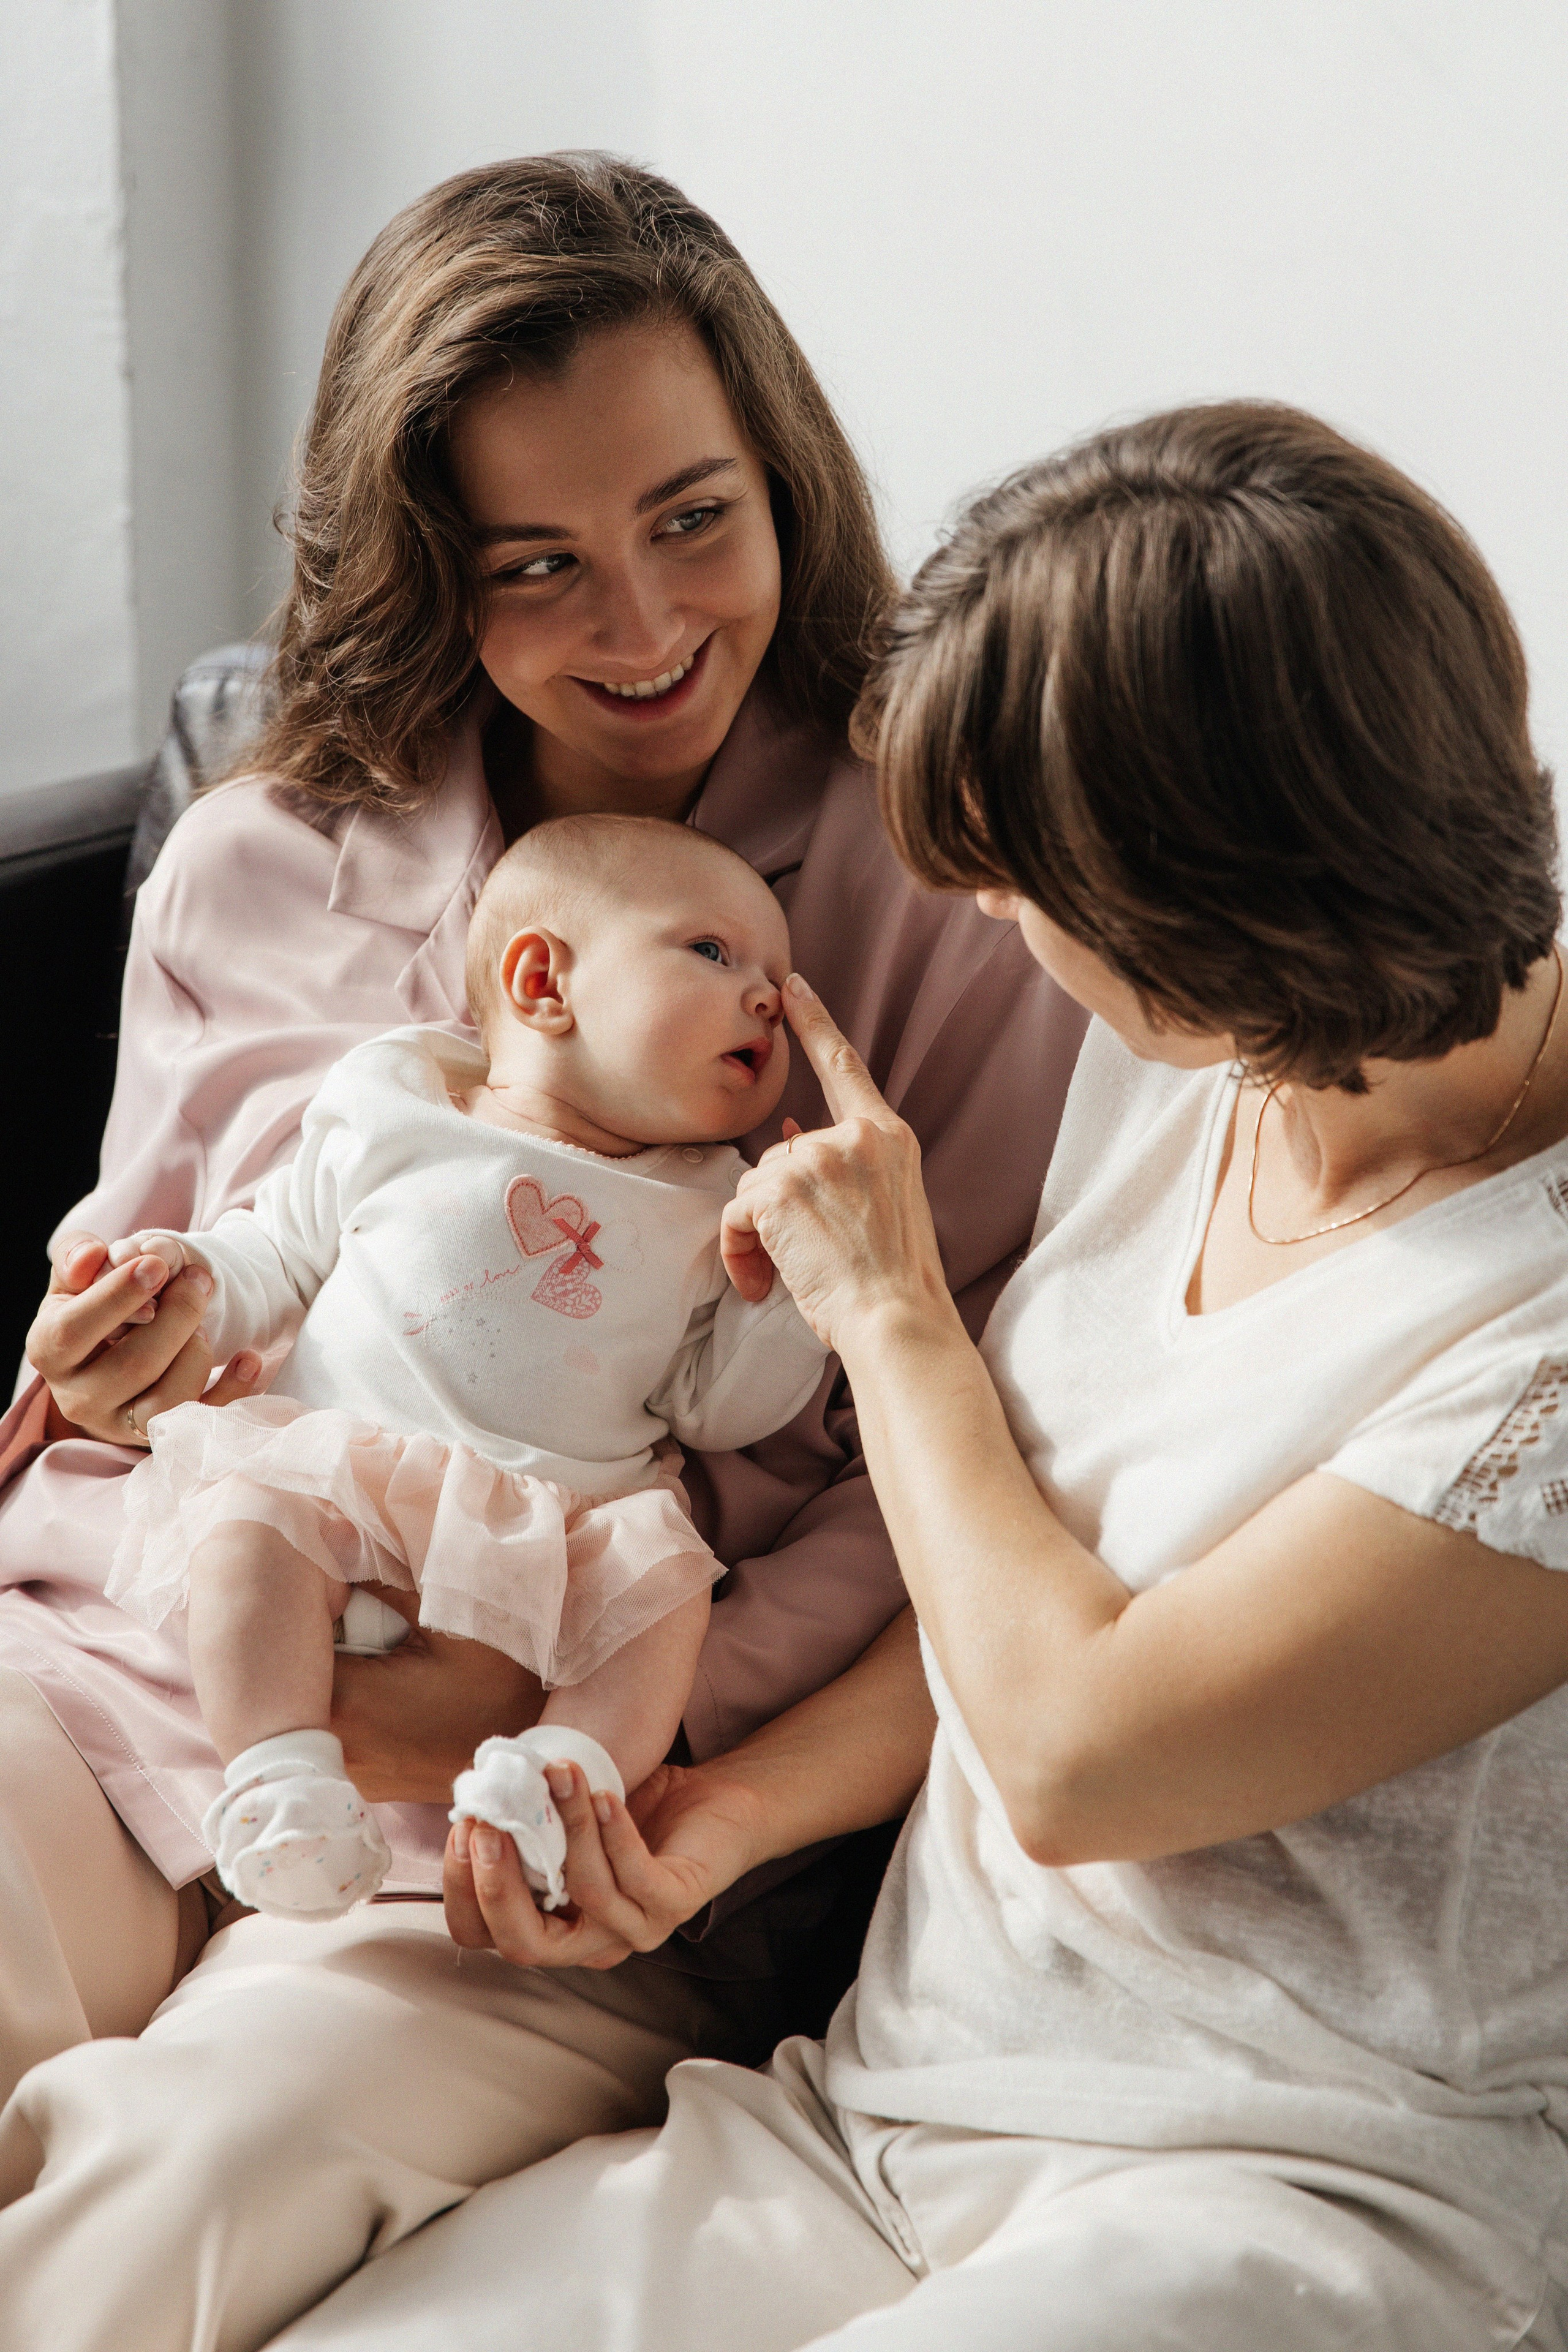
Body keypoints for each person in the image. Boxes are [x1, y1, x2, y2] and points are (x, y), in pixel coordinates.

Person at [249, 401, 1568, 2351]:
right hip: (884, 2112)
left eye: (1031, 886)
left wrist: (890, 1315)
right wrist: (727, 1817)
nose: (997, 933)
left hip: (1298, 2180)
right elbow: (1013, 1585)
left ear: (1204, 898)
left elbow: (1077, 1747)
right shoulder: (1194, 1070)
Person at [0, 154, 1084, 2345]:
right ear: (424, 574)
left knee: (174, 2196)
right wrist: (120, 1356)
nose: (644, 626)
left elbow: (947, 1468)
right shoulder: (256, 867)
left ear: (783, 483)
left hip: (553, 1819)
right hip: (128, 1690)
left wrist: (539, 1719)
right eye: (536, 566)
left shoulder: (943, 901)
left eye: (696, 518)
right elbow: (136, 1352)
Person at [103, 817, 826, 1919]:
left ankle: (549, 1783)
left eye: (776, 977)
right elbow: (281, 1251)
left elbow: (718, 1409)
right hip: (348, 1463)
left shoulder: (716, 1201)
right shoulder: (398, 1102)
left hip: (564, 1517)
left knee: (665, 1600)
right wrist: (184, 1274)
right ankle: (281, 1778)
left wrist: (782, 1298)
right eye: (716, 954)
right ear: (544, 979)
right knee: (247, 1513)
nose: (768, 998)